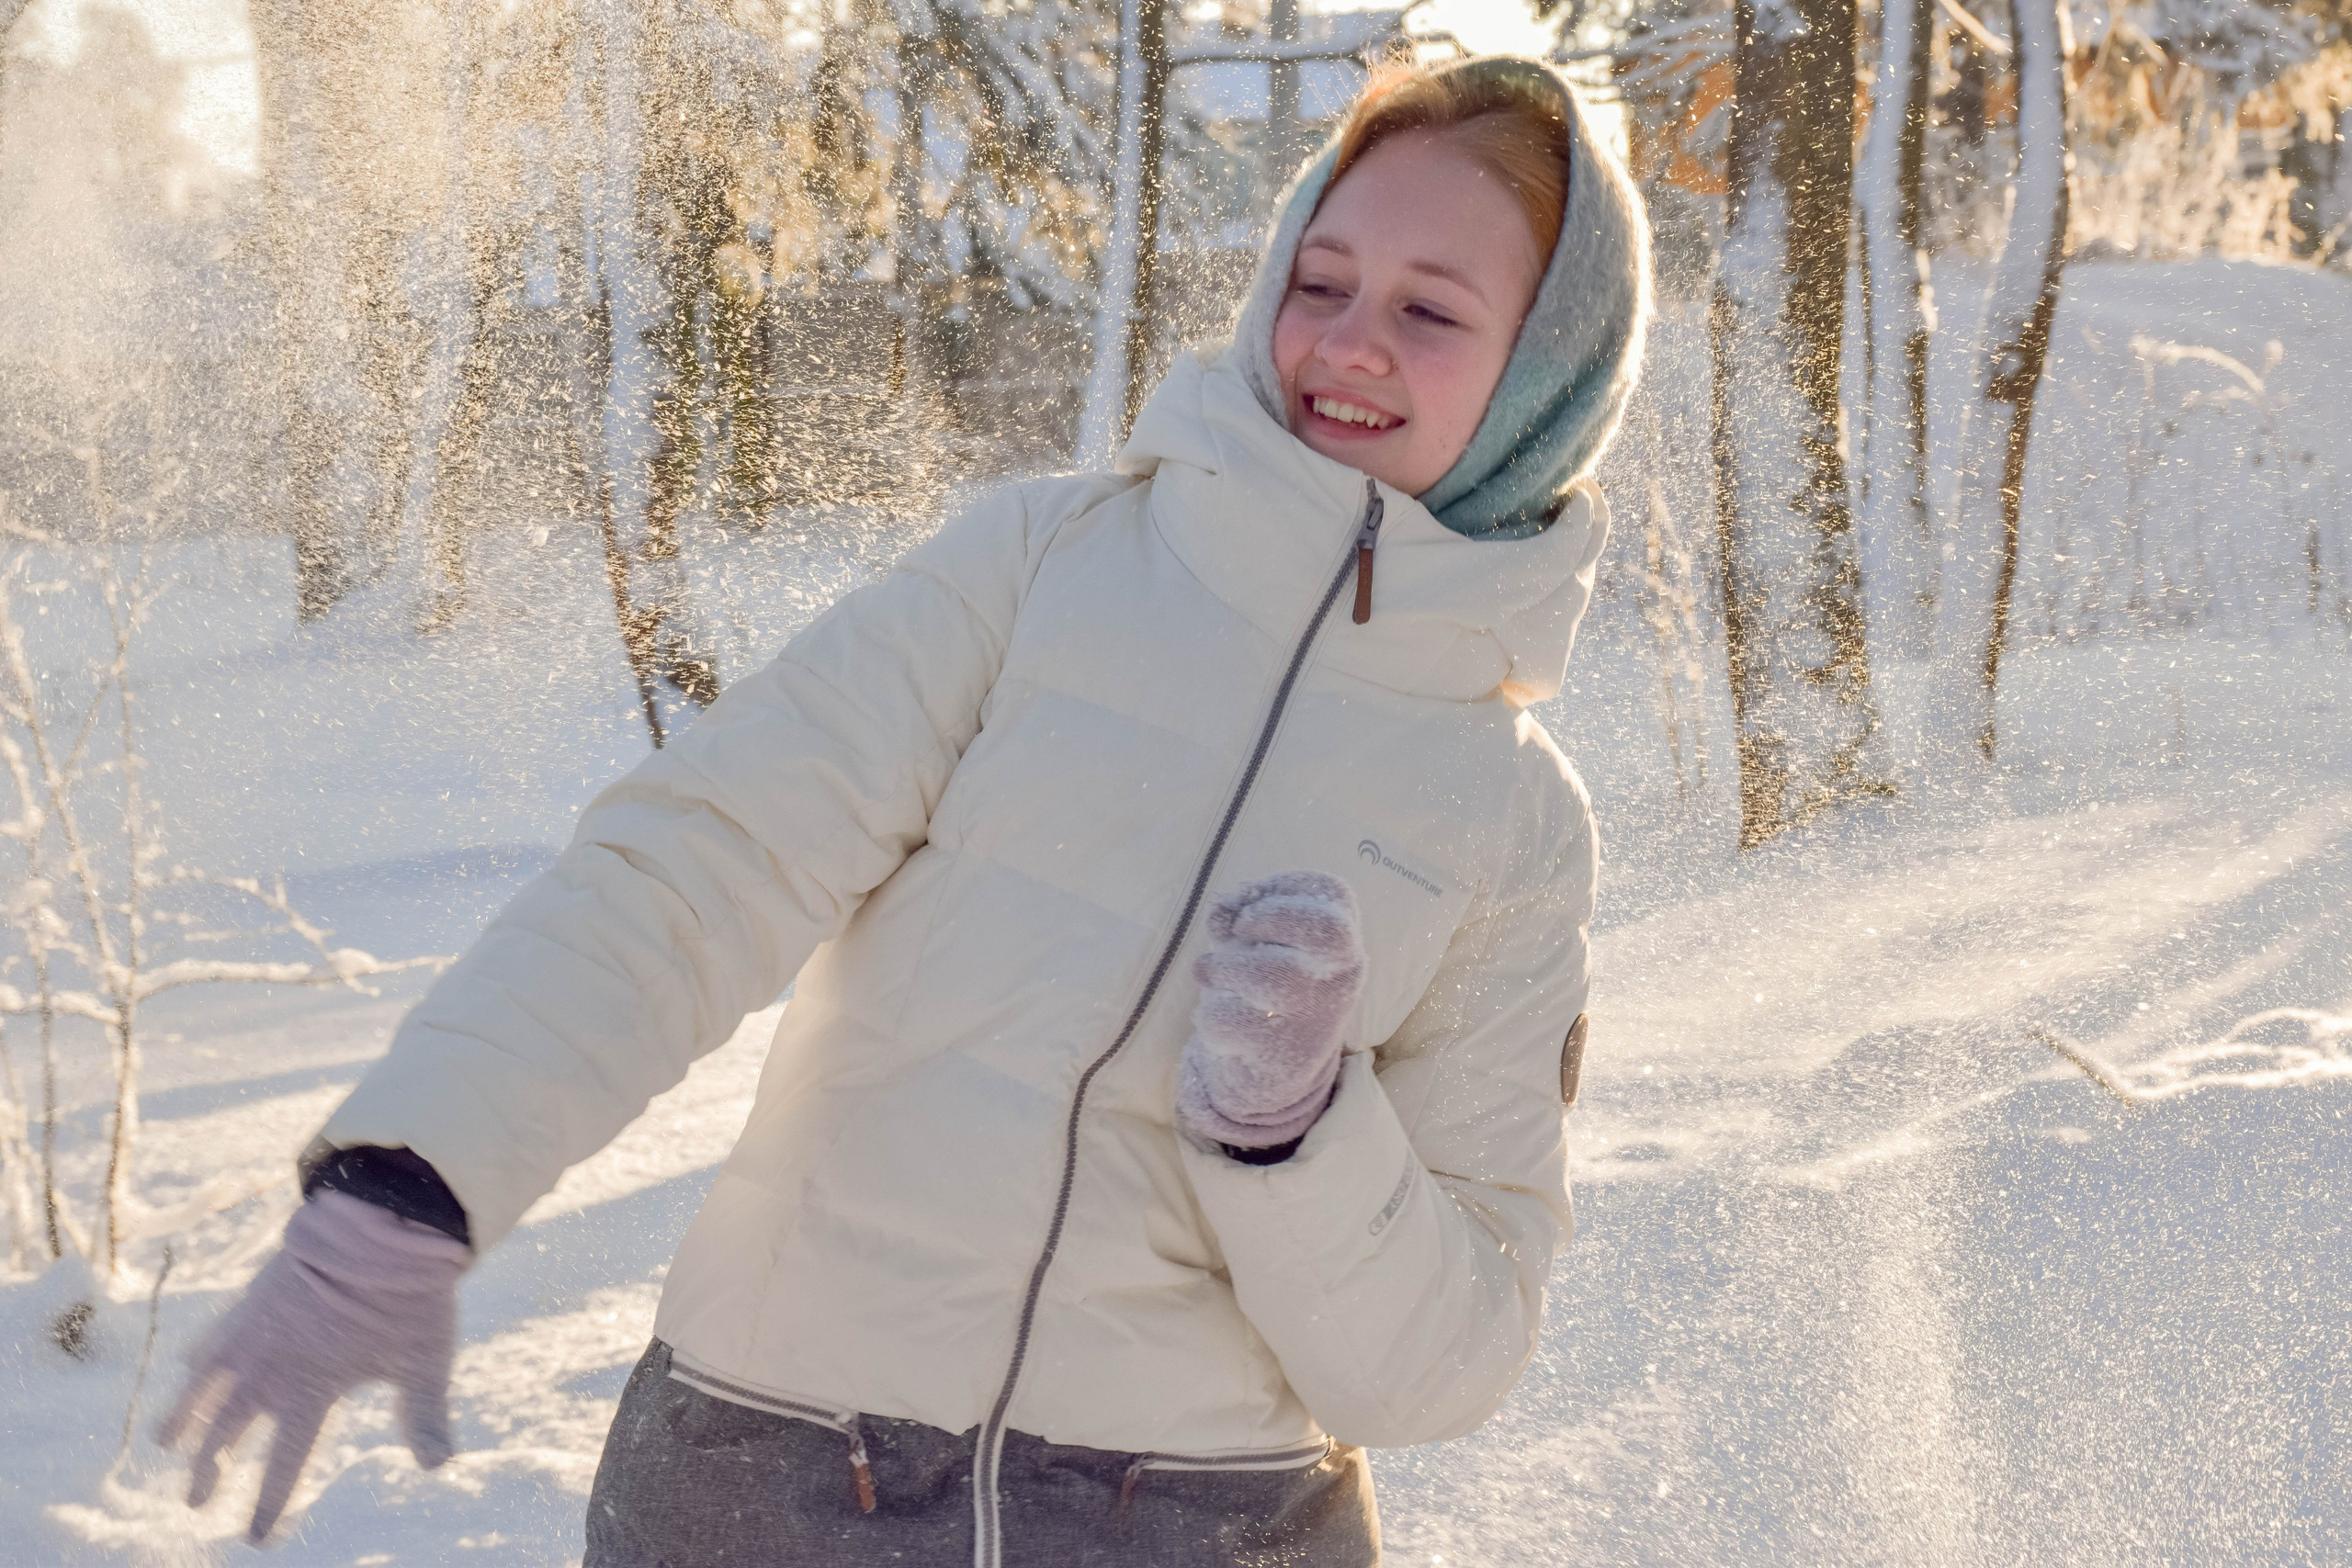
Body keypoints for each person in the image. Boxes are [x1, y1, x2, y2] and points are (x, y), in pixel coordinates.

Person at [159, 52, 1650, 1566]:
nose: (1348, 342)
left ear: (1548, 377)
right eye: (1321, 279)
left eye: (1431, 311)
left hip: (1205, 1521)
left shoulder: (1512, 824)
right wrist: (413, 1169)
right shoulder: (1039, 570)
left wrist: (1296, 1131)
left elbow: (1444, 1362)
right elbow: (703, 864)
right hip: (779, 1477)